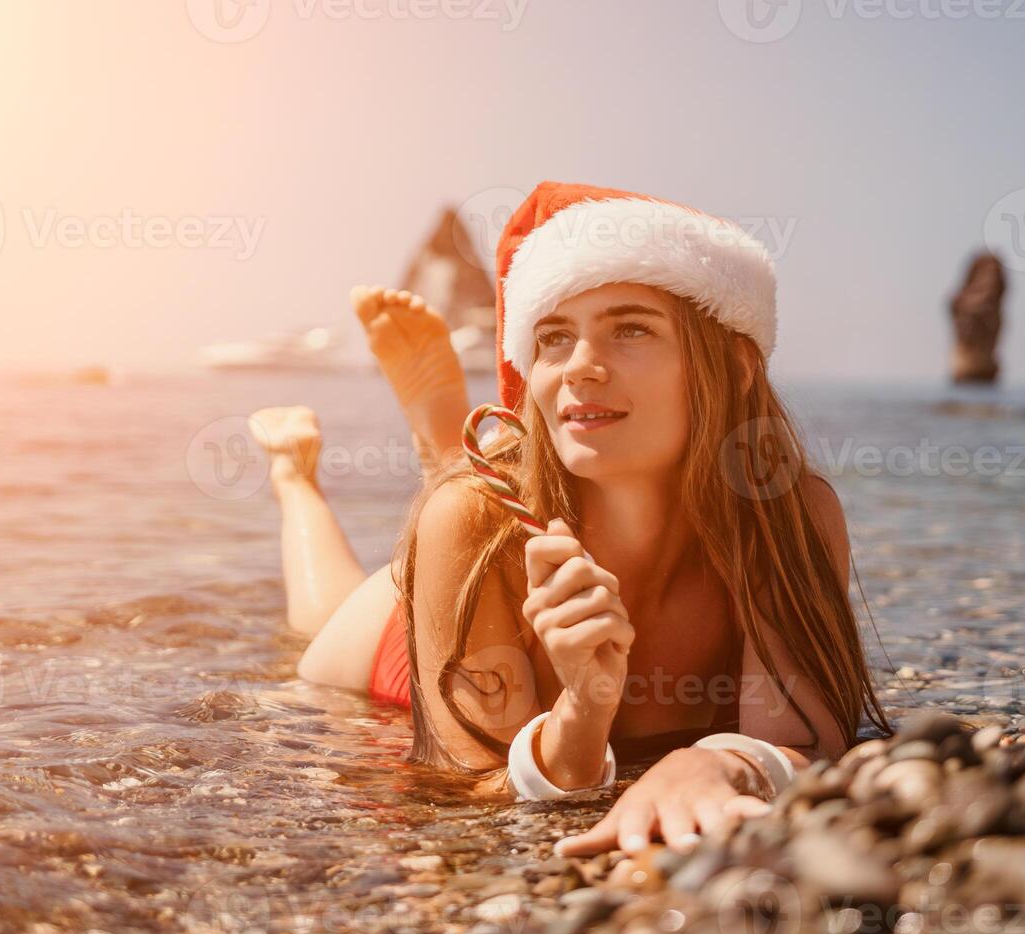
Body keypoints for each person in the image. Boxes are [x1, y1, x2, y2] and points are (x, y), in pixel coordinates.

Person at [251, 180, 890, 859]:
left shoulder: (786, 513)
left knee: (456, 504)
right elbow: (463, 790)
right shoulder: (471, 525)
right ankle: (299, 477)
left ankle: (449, 449)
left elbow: (805, 738)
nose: (581, 367)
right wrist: (582, 717)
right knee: (318, 626)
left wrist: (719, 762)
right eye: (554, 337)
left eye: (632, 329)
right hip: (433, 631)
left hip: (489, 542)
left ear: (733, 367)